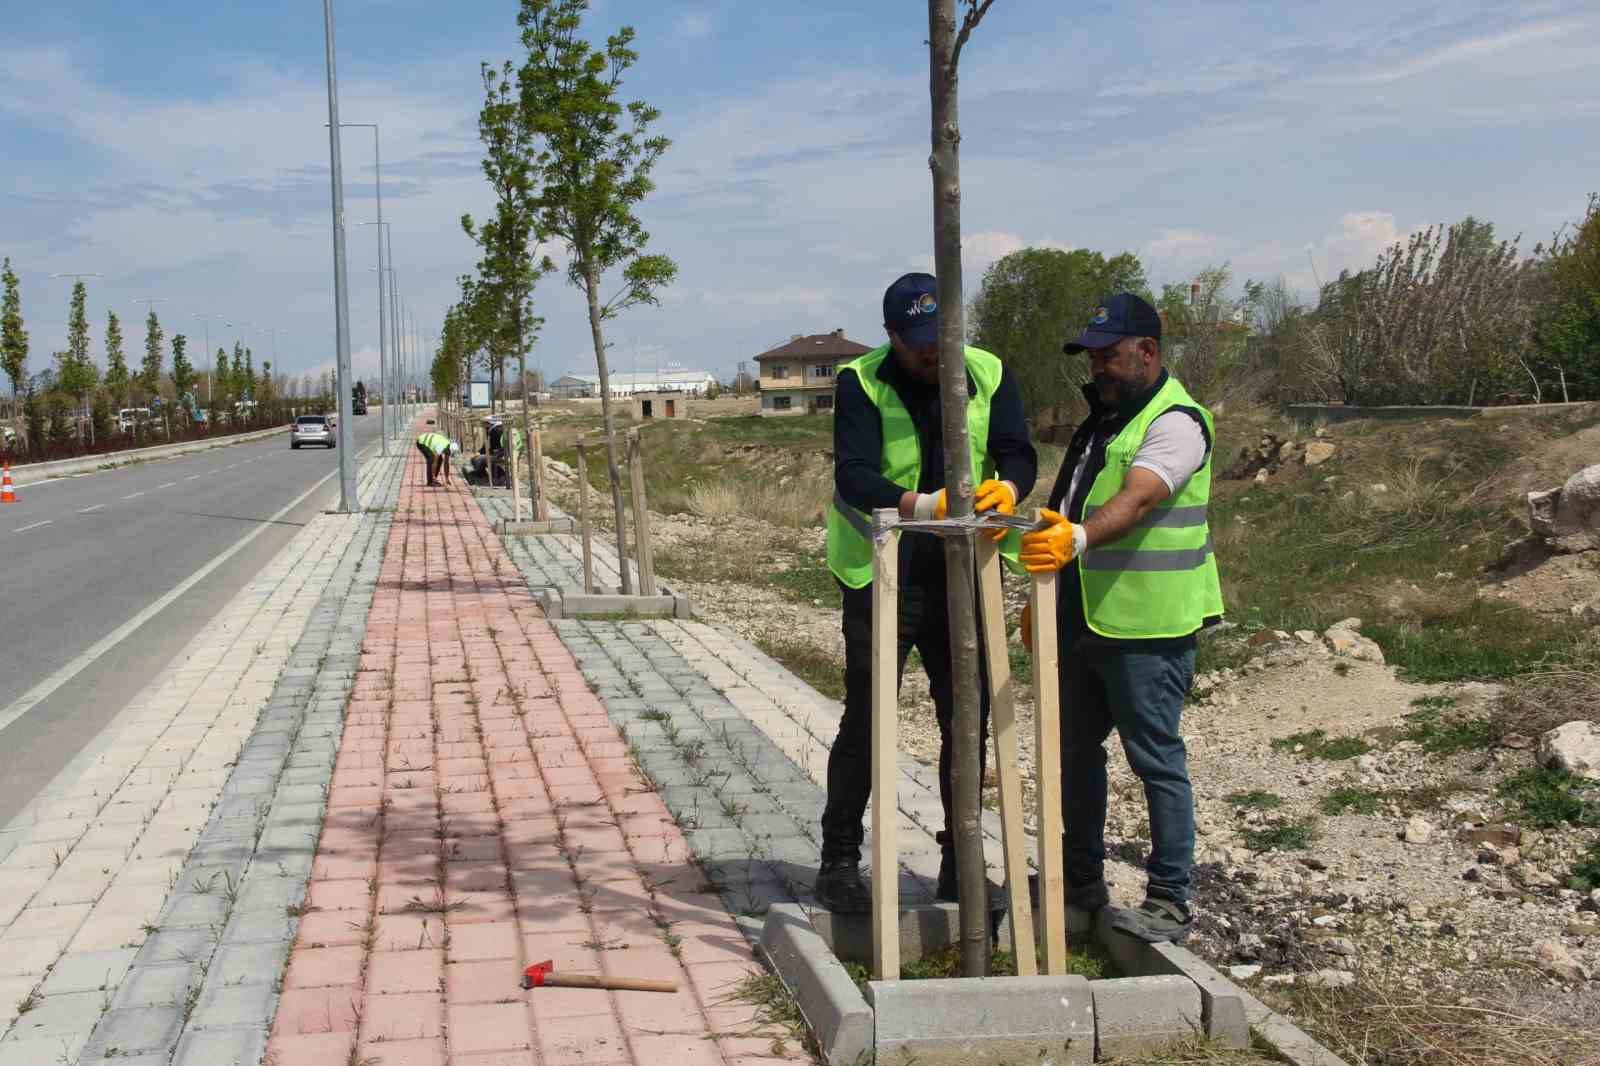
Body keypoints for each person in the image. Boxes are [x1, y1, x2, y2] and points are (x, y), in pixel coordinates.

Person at [817, 271, 1038, 913]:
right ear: (891, 337)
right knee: (868, 713)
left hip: (964, 569)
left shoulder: (989, 372)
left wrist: (1012, 488)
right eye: (917, 344)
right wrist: (920, 505)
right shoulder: (860, 381)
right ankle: (838, 862)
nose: (932, 354)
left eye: (940, 338)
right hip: (884, 567)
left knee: (964, 716)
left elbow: (1017, 450)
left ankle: (959, 865)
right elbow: (854, 475)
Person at [1018, 292, 1223, 943]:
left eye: (1108, 355)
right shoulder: (1100, 422)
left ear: (1148, 352)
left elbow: (1136, 501)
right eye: (1093, 357)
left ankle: (1169, 900)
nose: (1098, 368)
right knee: (1075, 754)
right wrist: (1039, 595)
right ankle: (1081, 886)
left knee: (1155, 759)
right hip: (1084, 619)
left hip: (1150, 629)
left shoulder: (1176, 422)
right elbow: (1063, 508)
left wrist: (1077, 541)